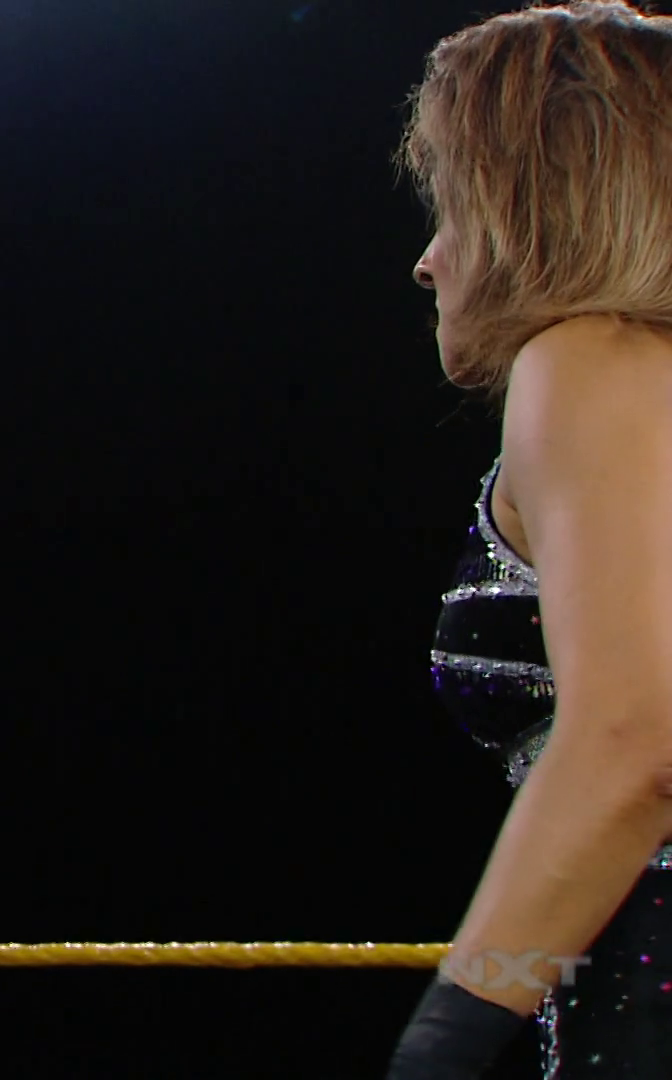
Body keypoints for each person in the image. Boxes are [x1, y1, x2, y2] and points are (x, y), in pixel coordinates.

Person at [387, 2, 672, 1076]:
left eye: (454, 205)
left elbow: (637, 737)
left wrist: (446, 1041)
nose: (428, 261)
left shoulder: (591, 360)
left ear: (535, 202)